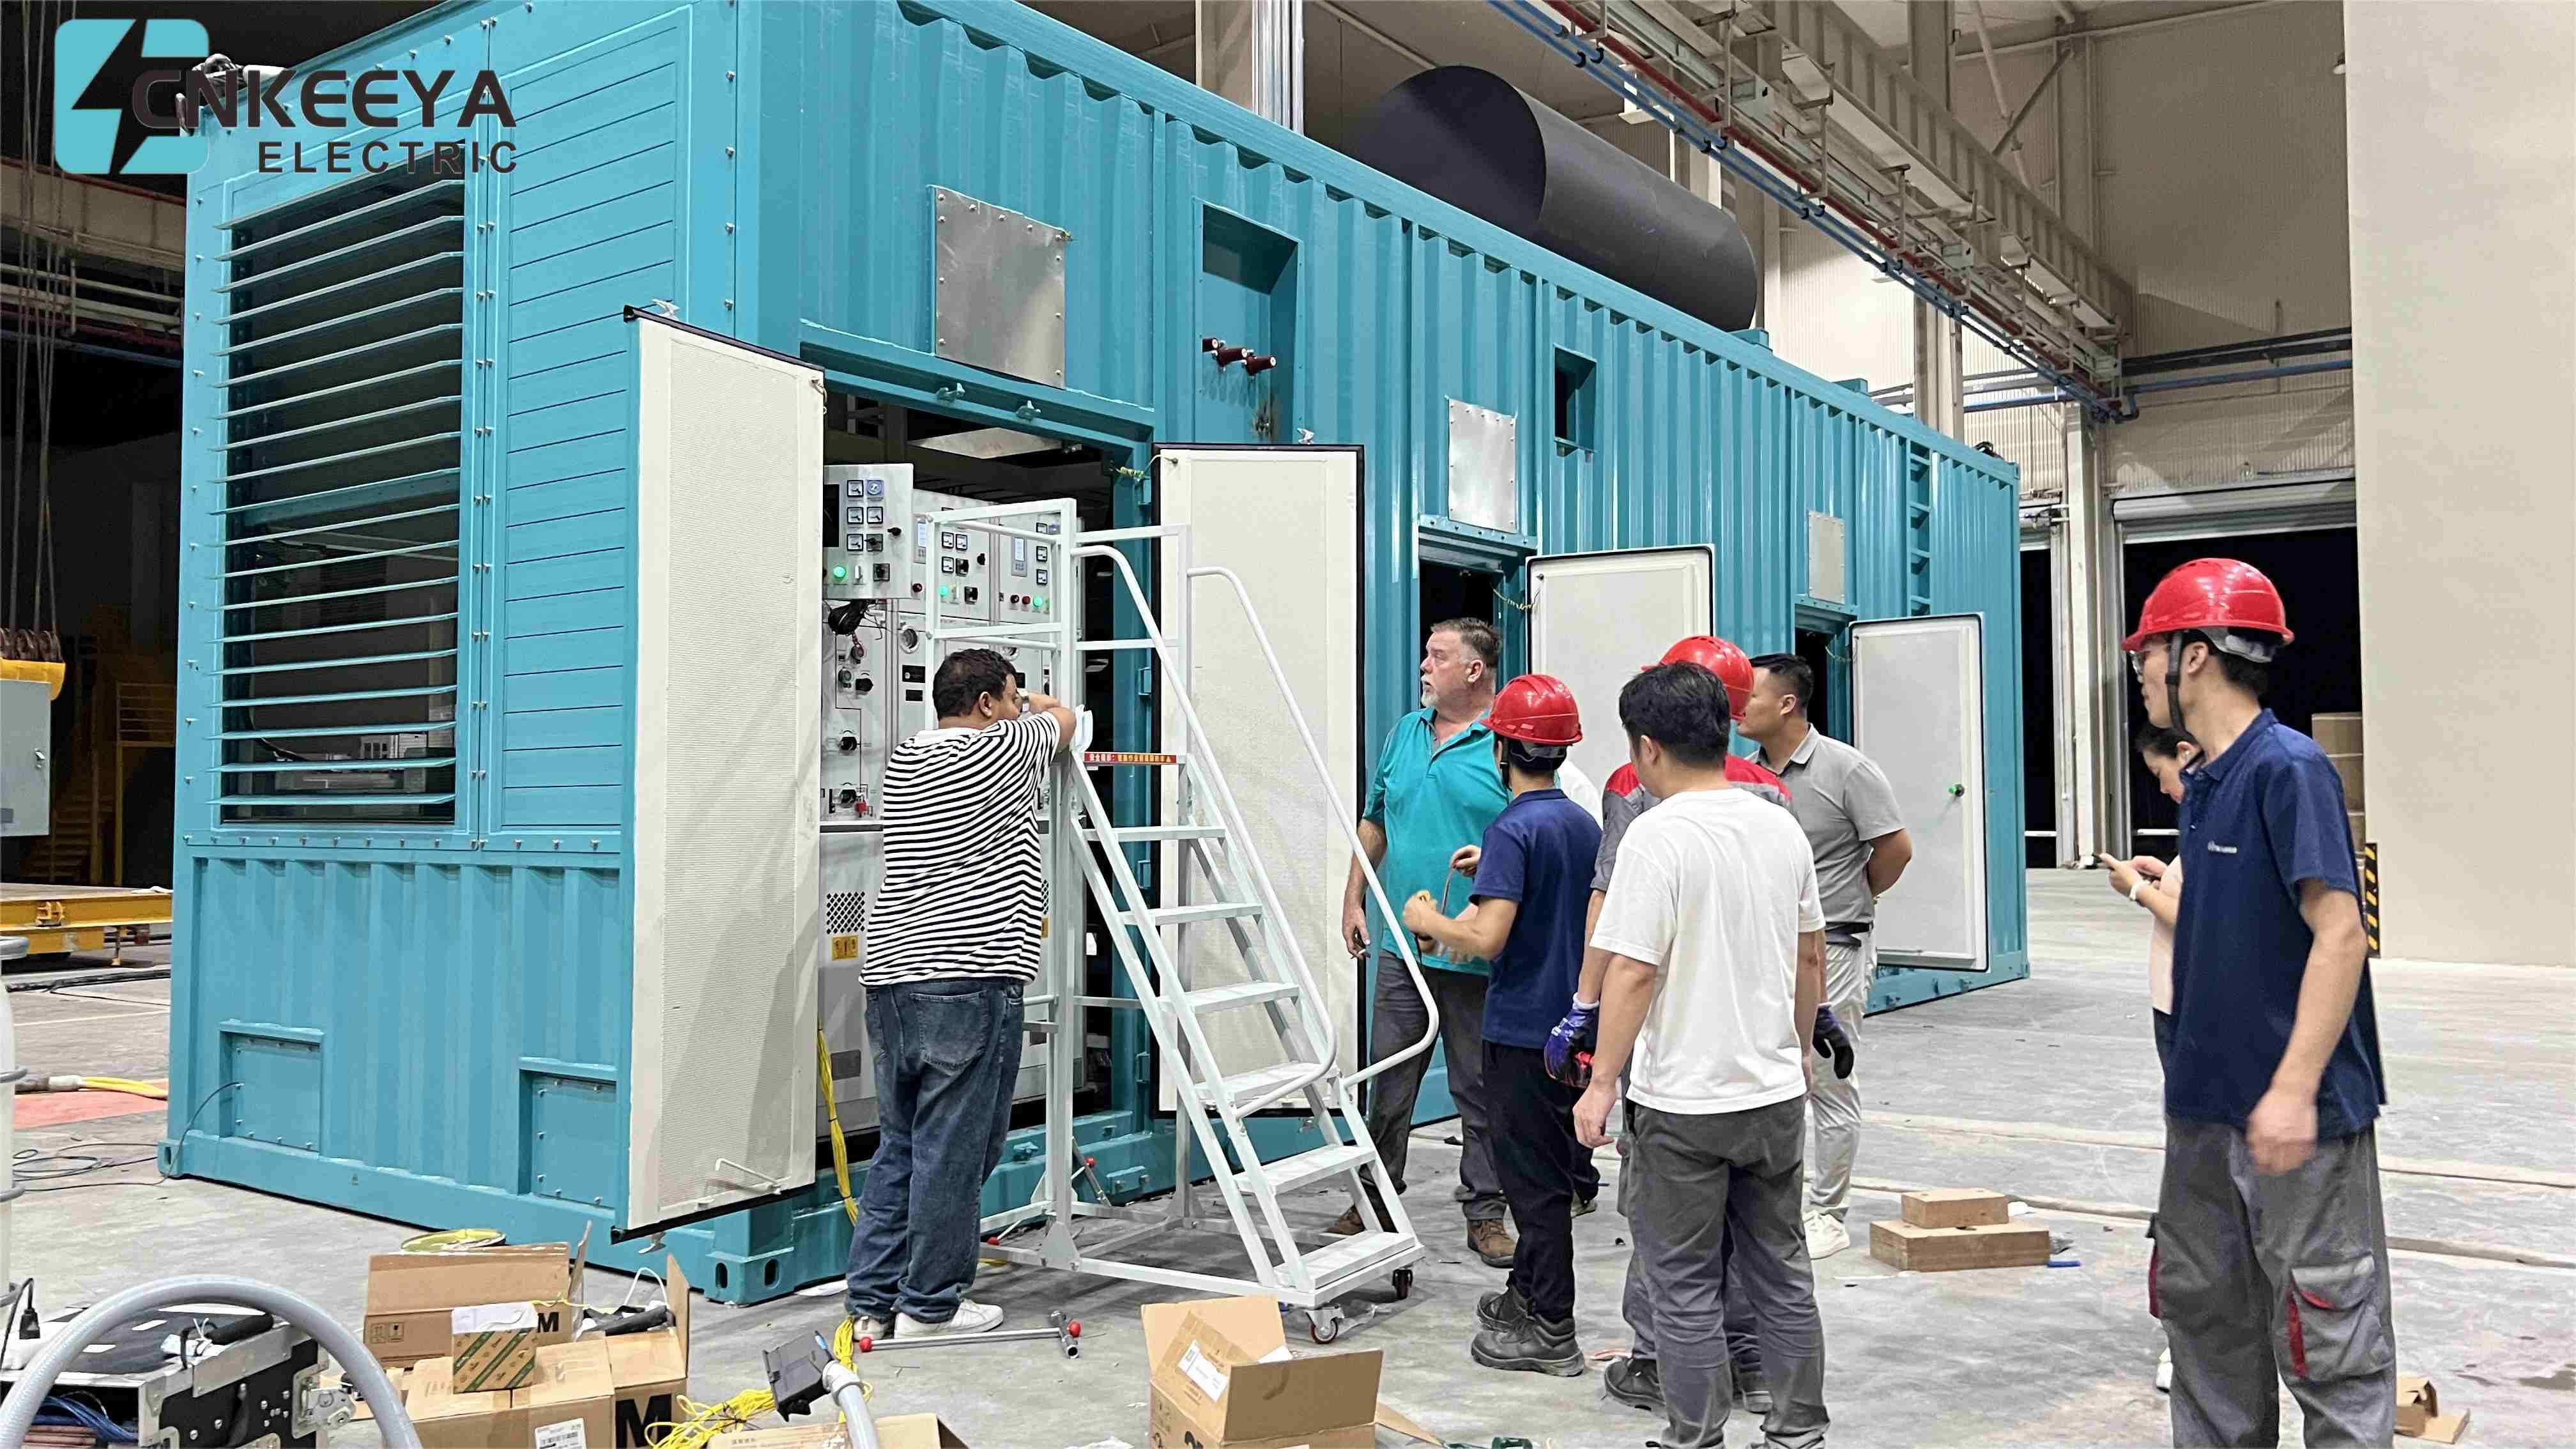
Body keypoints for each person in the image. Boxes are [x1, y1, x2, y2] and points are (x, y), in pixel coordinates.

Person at [2124, 558, 2391, 1445]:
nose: (2140, 671)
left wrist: (2292, 1089)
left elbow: (2341, 934)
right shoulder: (2205, 782)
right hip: (2203, 1112)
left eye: (2147, 651)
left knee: (2328, 1342)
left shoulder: (2289, 768)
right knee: (2206, 1332)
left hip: (2295, 1123)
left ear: (2193, 655)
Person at [1562, 635, 1849, 1417]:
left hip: (1684, 1101)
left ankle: (1695, 1432)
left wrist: (1602, 1081)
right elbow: (1811, 956)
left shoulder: (1655, 834)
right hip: (1771, 1093)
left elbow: (1633, 970)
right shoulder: (1779, 824)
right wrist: (1798, 1052)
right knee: (1783, 1274)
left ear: (1648, 748)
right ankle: (1797, 1428)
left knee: (1683, 1283)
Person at [847, 648, 1076, 1341]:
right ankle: (931, 1307)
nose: (1015, 706)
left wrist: (1013, 699)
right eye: (1007, 696)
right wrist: (1031, 703)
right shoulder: (1002, 747)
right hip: (966, 983)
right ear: (985, 706)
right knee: (954, 1151)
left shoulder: (904, 757)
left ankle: (873, 1301)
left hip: (892, 984)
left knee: (902, 1144)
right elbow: (1067, 719)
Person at [1398, 674, 1602, 1376]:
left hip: (1520, 1031)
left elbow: (1486, 939)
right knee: (1547, 1169)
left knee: (1531, 1185)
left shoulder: (1512, 828)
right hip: (1569, 1026)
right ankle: (1526, 1293)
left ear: (1502, 749)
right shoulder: (1580, 824)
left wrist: (1428, 919)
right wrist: (1496, 869)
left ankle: (1551, 1326)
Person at [1334, 619, 1519, 1267]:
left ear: (1474, 670)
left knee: (1478, 1088)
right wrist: (1354, 897)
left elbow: (1529, 829)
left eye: (1438, 657)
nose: (1424, 667)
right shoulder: (1405, 734)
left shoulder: (1506, 742)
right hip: (1402, 950)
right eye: (1426, 656)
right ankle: (1375, 1200)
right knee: (1389, 1080)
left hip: (1472, 949)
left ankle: (1486, 1212)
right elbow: (1375, 820)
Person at [1739, 653, 1912, 1260]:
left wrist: (1853, 899)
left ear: (1787, 703)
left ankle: (1828, 1212)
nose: (1739, 707)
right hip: (1768, 946)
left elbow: (1895, 849)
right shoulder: (1747, 774)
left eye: (1751, 695)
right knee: (1774, 1072)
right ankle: (1775, 1203)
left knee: (1828, 1078)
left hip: (1834, 945)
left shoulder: (1846, 769)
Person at [2101, 723, 2198, 1395]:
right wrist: (2167, 878)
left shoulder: (2223, 808)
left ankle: (2188, 1337)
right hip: (2181, 1012)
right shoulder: (2215, 809)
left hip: (2193, 1019)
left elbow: (2198, 923)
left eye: (2160, 772)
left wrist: (2137, 891)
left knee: (2193, 1180)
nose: (2161, 788)